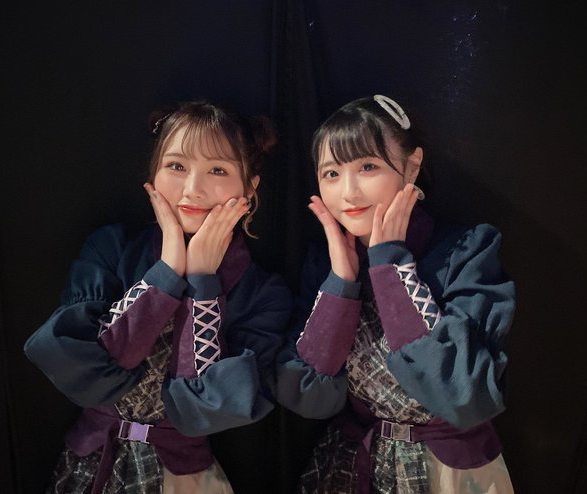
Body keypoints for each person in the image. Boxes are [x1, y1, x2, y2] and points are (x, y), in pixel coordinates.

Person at [25, 100, 292, 494]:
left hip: (185, 479)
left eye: (218, 170)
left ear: (250, 187)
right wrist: (166, 273)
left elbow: (203, 409)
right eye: (176, 166)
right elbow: (89, 376)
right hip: (90, 465)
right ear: (153, 172)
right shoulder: (110, 249)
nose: (192, 189)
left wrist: (203, 284)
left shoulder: (263, 293)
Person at [275, 95, 516, 493]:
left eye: (367, 167)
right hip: (352, 464)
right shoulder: (324, 263)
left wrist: (390, 267)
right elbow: (307, 398)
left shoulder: (466, 251)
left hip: (449, 471)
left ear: (412, 165)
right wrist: (340, 283)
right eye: (331, 173)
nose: (348, 192)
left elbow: (465, 396)